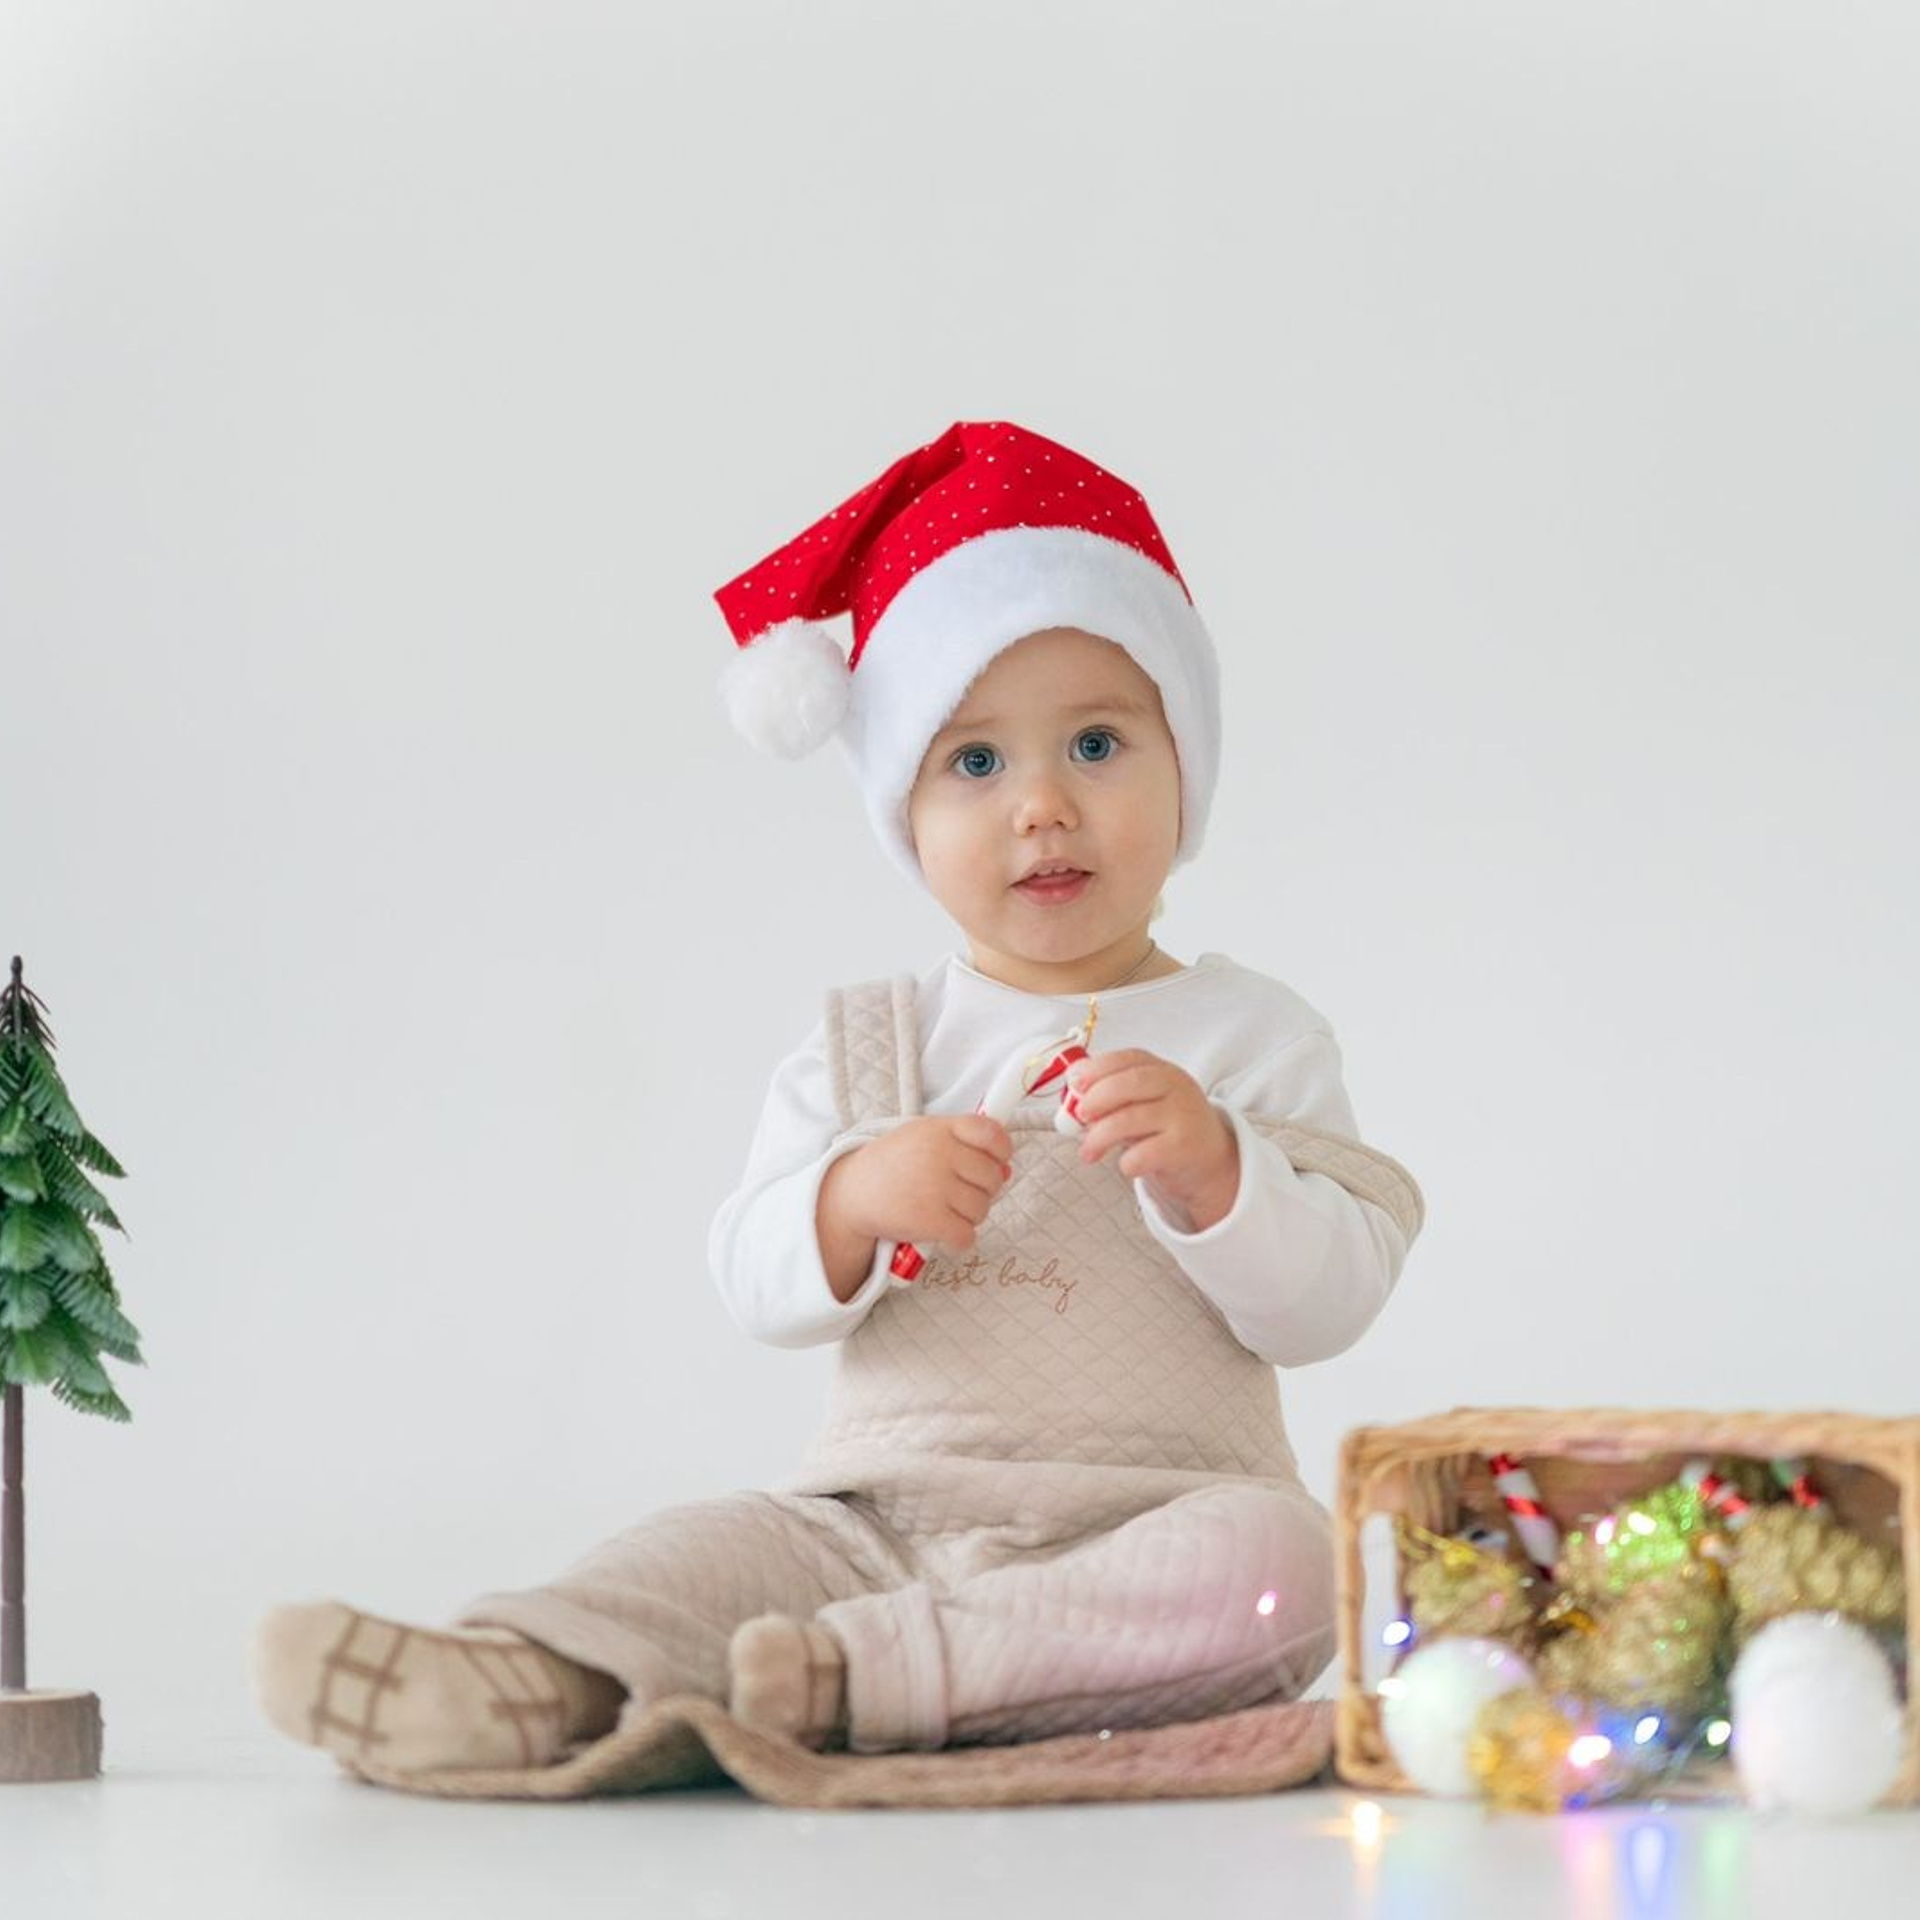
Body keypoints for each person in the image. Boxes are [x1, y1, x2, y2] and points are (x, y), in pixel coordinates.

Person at [249, 419, 1425, 1776]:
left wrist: (1221, 1176)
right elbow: (754, 1278)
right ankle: (533, 1673)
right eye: (975, 763)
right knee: (706, 1549)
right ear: (903, 815)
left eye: (1097, 744)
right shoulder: (875, 1046)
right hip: (867, 1525)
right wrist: (851, 1200)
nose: (1042, 805)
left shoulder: (1252, 1037)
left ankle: (862, 1677)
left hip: (1153, 1516)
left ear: (1187, 768)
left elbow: (1331, 1300)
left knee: (1280, 1564)